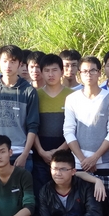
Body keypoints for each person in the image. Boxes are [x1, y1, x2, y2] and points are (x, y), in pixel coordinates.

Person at [0, 45, 39, 172]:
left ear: (20, 64)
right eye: (5, 61)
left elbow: (33, 125)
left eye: (13, 62)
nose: (8, 65)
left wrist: (25, 154)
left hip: (21, 153)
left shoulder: (29, 91)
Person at [63, 56, 109, 176]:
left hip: (103, 163)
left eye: (93, 70)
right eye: (84, 71)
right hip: (78, 163)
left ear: (99, 73)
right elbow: (68, 131)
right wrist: (83, 160)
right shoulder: (72, 99)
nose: (88, 74)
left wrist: (94, 158)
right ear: (79, 74)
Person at [30, 53, 72, 196]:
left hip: (65, 156)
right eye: (46, 70)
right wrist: (42, 152)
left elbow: (76, 128)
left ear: (62, 71)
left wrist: (60, 150)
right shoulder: (35, 95)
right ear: (41, 73)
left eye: (54, 70)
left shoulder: (72, 96)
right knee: (41, 194)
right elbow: (31, 126)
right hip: (40, 156)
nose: (50, 74)